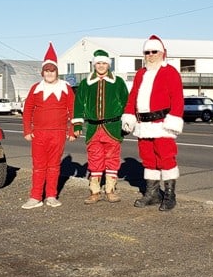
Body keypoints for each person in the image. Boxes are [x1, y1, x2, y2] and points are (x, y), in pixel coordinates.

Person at [121, 35, 184, 211]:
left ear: (162, 53)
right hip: (143, 125)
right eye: (147, 52)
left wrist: (173, 120)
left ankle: (170, 195)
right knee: (148, 159)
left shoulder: (170, 72)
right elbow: (132, 96)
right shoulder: (141, 73)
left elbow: (177, 98)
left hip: (162, 124)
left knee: (166, 158)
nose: (150, 55)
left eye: (154, 51)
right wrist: (129, 116)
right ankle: (153, 194)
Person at [21, 42, 76, 209]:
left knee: (54, 165)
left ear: (56, 72)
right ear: (42, 72)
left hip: (58, 133)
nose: (50, 73)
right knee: (38, 166)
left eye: (52, 70)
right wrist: (27, 130)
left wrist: (73, 130)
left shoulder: (66, 88)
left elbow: (74, 110)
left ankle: (51, 195)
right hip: (39, 133)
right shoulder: (36, 88)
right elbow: (27, 109)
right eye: (47, 70)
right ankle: (35, 196)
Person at [72, 49, 130, 204]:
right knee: (94, 158)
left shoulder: (118, 82)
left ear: (108, 65)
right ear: (94, 64)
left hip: (113, 127)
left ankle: (110, 190)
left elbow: (127, 102)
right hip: (93, 128)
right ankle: (94, 191)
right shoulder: (85, 84)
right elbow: (78, 104)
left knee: (112, 159)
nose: (101, 66)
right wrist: (77, 124)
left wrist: (127, 121)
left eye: (104, 63)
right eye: (98, 63)